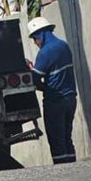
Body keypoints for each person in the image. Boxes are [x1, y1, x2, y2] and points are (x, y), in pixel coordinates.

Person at [27, 15, 77, 164]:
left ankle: (62, 171)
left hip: (55, 101)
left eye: (34, 39)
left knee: (56, 140)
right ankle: (72, 167)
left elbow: (35, 80)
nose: (35, 43)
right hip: (71, 99)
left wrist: (30, 69)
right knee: (67, 137)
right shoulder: (64, 45)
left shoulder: (45, 52)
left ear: (39, 35)